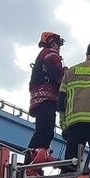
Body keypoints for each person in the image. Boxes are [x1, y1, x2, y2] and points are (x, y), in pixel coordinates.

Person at [27, 31, 65, 166]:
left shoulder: (43, 54)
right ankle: (31, 161)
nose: (58, 47)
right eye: (58, 44)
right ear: (53, 42)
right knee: (45, 132)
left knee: (44, 131)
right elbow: (57, 75)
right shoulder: (51, 54)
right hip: (46, 98)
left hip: (41, 99)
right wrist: (67, 75)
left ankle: (38, 160)